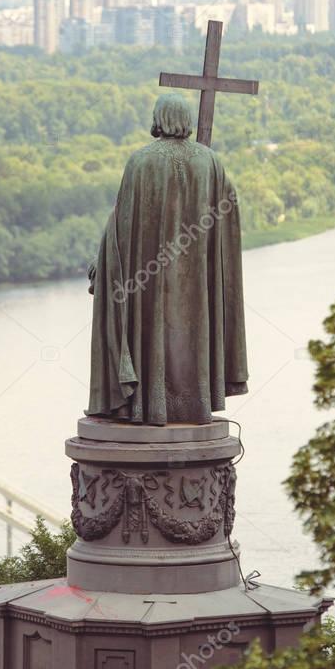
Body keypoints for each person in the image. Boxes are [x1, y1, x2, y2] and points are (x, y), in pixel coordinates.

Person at [87, 93, 248, 425]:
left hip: (149, 280)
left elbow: (122, 227)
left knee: (152, 331)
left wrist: (103, 265)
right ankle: (194, 404)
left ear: (159, 119)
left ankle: (149, 404)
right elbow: (228, 213)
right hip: (198, 283)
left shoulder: (142, 162)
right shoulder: (210, 162)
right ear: (186, 120)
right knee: (191, 334)